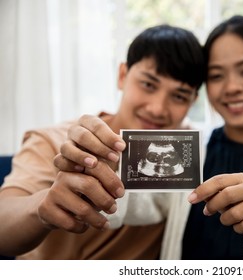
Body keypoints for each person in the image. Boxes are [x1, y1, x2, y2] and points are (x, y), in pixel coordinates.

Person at [55, 15, 243, 259]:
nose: (232, 87)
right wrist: (100, 173)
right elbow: (141, 203)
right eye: (217, 76)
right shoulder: (188, 145)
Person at [0, 24, 204, 259]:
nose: (157, 109)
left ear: (192, 101)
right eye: (148, 84)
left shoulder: (191, 153)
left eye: (178, 96)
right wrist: (44, 205)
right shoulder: (56, 142)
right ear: (122, 75)